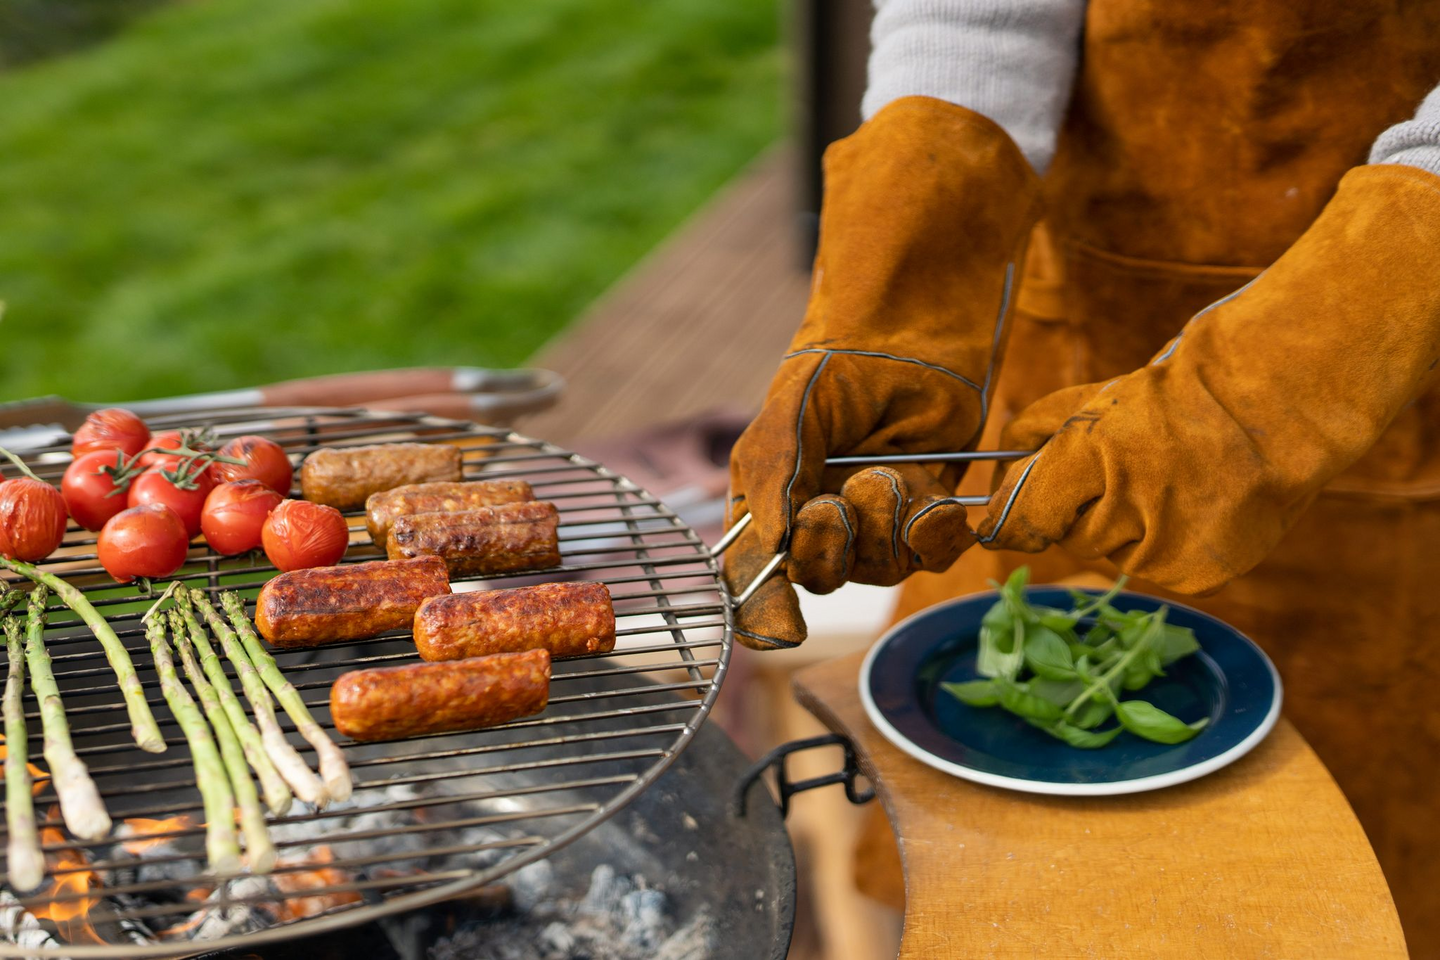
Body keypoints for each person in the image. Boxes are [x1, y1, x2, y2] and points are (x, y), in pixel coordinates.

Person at [723, 0, 1440, 949]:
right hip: (1078, 347)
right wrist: (891, 288)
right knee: (992, 859)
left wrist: (1276, 387)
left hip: (1391, 379)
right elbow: (977, 18)